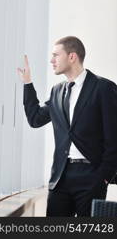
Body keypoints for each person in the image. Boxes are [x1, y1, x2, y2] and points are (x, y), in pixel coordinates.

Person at [17, 36, 117, 217]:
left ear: (72, 57)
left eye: (56, 55)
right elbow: (35, 119)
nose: (51, 60)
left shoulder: (103, 88)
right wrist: (27, 84)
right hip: (61, 177)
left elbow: (114, 137)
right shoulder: (57, 91)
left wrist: (104, 176)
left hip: (92, 176)